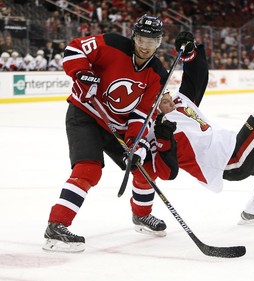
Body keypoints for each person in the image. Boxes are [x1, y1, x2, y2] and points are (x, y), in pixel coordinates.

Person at [130, 31, 254, 232]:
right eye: (160, 96)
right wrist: (164, 140)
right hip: (229, 162)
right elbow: (165, 172)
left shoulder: (178, 102)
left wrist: (190, 54)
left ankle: (253, 211)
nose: (166, 96)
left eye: (165, 90)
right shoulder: (153, 130)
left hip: (233, 143)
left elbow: (196, 78)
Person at [43, 14, 171, 253]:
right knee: (88, 169)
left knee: (143, 165)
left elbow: (142, 115)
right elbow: (74, 49)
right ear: (134, 36)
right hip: (86, 114)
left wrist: (136, 145)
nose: (145, 46)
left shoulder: (157, 74)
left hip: (119, 128)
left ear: (159, 43)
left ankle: (142, 216)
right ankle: (56, 226)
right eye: (142, 39)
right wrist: (81, 73)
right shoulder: (111, 43)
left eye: (152, 42)